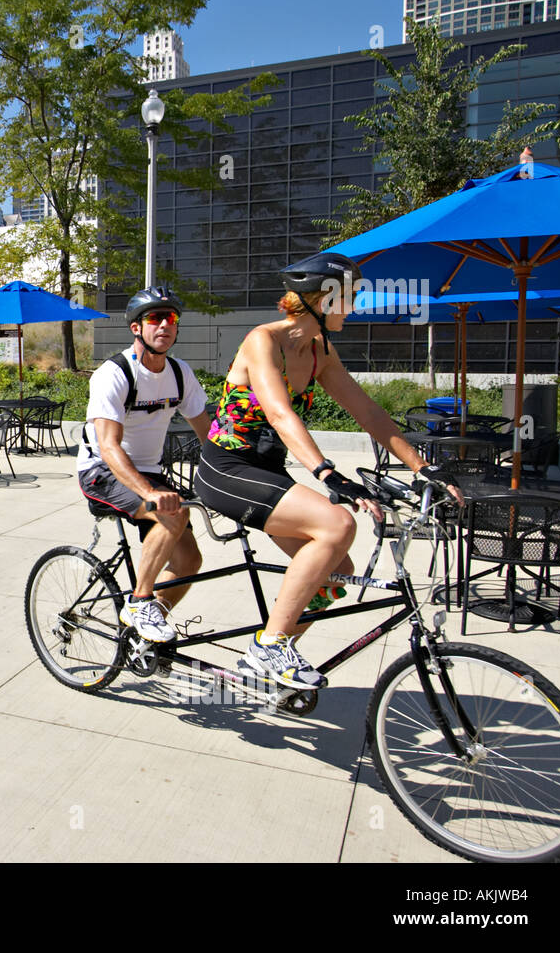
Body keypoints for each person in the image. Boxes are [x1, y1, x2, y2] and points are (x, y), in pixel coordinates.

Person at [194, 252, 462, 690]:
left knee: (336, 571)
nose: (354, 306)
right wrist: (325, 472)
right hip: (225, 468)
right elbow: (280, 413)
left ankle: (267, 657)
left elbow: (368, 412)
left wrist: (423, 467)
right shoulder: (263, 340)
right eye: (350, 297)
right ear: (321, 298)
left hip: (266, 471)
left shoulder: (320, 351)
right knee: (337, 524)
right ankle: (272, 646)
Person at [78, 286, 211, 644]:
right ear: (136, 327)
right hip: (101, 472)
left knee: (189, 564)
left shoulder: (180, 374)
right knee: (174, 513)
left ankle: (143, 634)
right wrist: (151, 492)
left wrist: (232, 473)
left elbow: (208, 434)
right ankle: (140, 602)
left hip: (149, 472)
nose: (165, 325)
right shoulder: (115, 373)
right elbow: (108, 446)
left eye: (171, 318)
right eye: (155, 318)